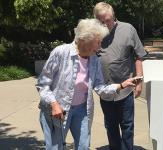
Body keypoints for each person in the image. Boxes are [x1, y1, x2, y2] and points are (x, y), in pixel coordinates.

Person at [36, 18, 136, 150]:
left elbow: (100, 87)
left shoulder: (94, 60)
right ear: (86, 40)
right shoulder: (61, 52)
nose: (100, 46)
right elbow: (43, 84)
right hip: (57, 110)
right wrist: (54, 104)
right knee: (56, 147)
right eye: (98, 42)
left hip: (82, 110)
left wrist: (121, 85)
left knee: (83, 146)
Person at [93, 2, 147, 150]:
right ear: (96, 20)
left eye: (108, 20)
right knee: (110, 126)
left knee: (127, 126)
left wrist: (139, 82)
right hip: (105, 91)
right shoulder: (94, 34)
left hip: (126, 90)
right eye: (102, 21)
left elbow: (138, 56)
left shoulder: (128, 29)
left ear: (114, 15)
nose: (106, 24)